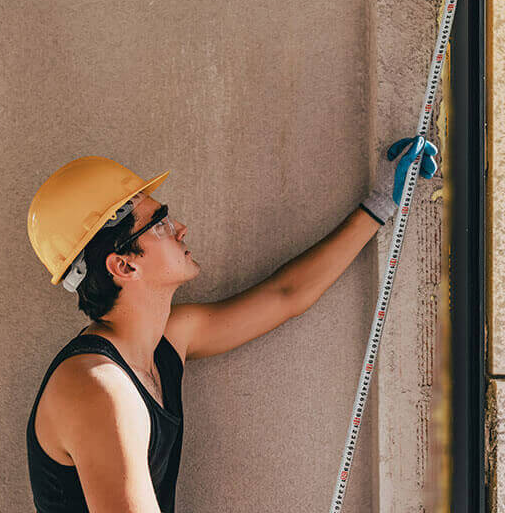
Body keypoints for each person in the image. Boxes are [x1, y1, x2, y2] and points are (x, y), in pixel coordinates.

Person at [25, 139, 437, 513]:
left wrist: (381, 203)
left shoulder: (166, 340)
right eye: (161, 223)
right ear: (125, 265)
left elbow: (286, 295)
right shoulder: (98, 387)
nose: (181, 228)